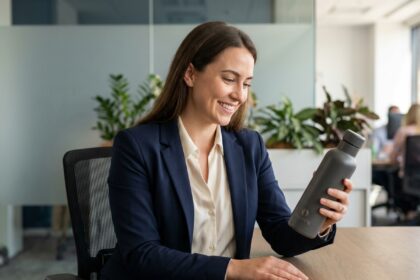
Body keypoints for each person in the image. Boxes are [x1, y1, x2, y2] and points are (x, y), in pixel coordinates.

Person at [101, 21, 353, 280]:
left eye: (246, 84)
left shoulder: (249, 147)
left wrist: (319, 223)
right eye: (229, 79)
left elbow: (282, 237)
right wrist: (234, 268)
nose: (239, 96)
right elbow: (141, 254)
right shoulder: (137, 147)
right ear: (190, 74)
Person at [389, 104, 420, 217]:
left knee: (388, 176)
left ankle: (408, 212)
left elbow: (392, 157)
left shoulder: (404, 131)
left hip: (409, 180)